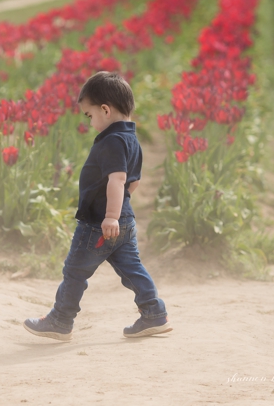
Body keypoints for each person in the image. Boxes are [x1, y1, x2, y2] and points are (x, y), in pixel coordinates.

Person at [23, 71, 171, 340]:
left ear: (105, 109)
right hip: (124, 221)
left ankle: (60, 319)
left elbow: (117, 179)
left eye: (90, 115)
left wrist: (111, 216)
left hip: (99, 223)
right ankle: (154, 313)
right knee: (132, 269)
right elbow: (133, 183)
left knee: (75, 270)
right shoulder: (131, 139)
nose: (90, 121)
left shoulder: (111, 141)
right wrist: (120, 214)